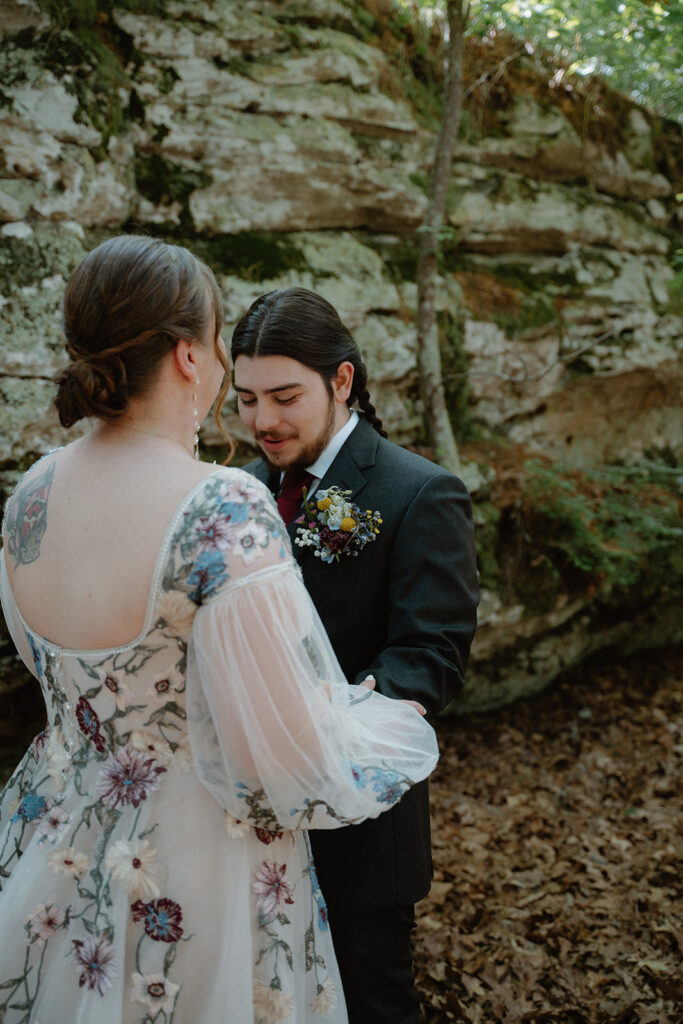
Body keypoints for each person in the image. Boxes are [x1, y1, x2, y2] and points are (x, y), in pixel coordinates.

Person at [0, 236, 440, 1024]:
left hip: (55, 834)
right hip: (193, 857)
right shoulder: (221, 506)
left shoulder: (31, 491)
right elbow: (291, 754)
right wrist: (382, 725)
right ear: (188, 357)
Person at [231, 287, 479, 1024]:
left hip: (359, 826)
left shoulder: (419, 492)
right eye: (245, 399)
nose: (263, 421)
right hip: (244, 825)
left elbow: (432, 653)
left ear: (341, 381)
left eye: (284, 396)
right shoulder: (238, 492)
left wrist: (328, 720)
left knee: (373, 1004)